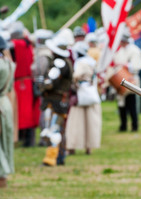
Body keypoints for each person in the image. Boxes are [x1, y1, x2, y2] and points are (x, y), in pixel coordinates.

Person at [39, 36, 73, 166]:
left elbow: (50, 83)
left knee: (53, 130)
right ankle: (59, 157)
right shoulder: (64, 62)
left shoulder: (60, 63)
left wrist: (41, 85)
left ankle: (51, 159)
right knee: (56, 129)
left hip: (56, 101)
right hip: (55, 100)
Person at [65, 41, 102, 155]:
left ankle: (72, 147)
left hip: (81, 95)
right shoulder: (92, 62)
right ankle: (88, 147)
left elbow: (76, 76)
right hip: (91, 94)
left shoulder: (81, 63)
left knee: (75, 123)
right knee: (90, 123)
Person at [107, 29, 141, 132]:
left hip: (131, 79)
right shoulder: (120, 50)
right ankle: (123, 126)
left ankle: (134, 126)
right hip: (120, 79)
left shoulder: (134, 50)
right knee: (121, 105)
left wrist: (125, 65)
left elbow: (136, 66)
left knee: (131, 104)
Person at [9, 22, 40, 147]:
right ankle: (27, 139)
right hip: (28, 81)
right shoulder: (29, 44)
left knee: (22, 113)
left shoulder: (16, 44)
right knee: (28, 112)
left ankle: (24, 139)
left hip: (20, 83)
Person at [0, 35, 16, 188]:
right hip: (5, 102)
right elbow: (9, 88)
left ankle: (1, 174)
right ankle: (4, 174)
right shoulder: (10, 65)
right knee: (5, 141)